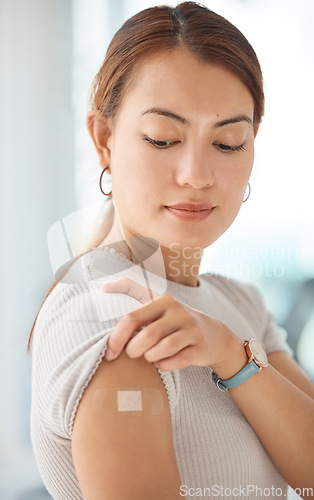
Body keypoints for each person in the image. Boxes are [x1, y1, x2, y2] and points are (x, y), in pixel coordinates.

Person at [29, 2, 314, 499]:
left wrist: (230, 354)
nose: (198, 176)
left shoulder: (242, 307)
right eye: (163, 139)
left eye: (228, 142)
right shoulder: (111, 313)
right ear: (104, 141)